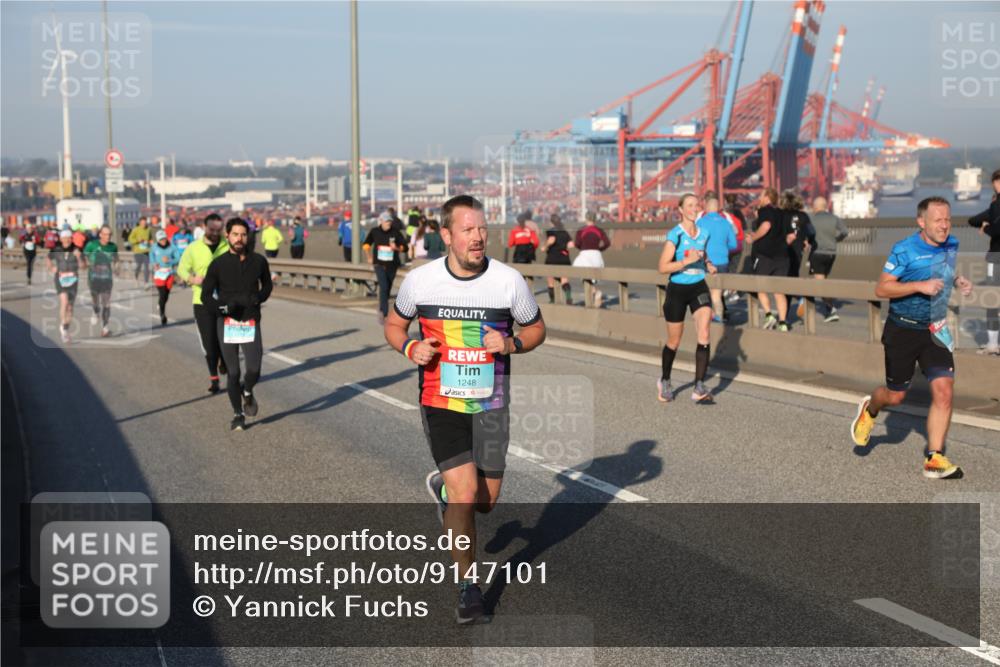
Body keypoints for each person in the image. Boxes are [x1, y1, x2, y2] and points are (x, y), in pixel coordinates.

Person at [383, 194, 546, 624]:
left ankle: (442, 491)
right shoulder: (422, 281)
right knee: (466, 492)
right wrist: (410, 346)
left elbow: (536, 328)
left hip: (491, 402)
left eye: (482, 229)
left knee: (487, 501)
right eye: (468, 230)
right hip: (441, 401)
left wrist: (512, 343)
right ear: (447, 235)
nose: (477, 238)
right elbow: (394, 323)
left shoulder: (508, 281)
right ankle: (468, 588)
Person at [851, 197, 974, 479]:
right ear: (922, 222)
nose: (944, 226)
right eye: (937, 220)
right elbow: (882, 289)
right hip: (902, 329)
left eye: (947, 219)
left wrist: (958, 281)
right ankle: (870, 408)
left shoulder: (951, 243)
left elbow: (945, 268)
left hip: (934, 328)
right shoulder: (904, 249)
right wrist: (919, 285)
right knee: (895, 396)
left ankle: (935, 458)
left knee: (944, 390)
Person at [201, 218, 273, 431]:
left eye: (243, 235)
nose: (239, 239)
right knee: (233, 373)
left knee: (254, 368)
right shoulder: (218, 264)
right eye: (235, 234)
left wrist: (258, 298)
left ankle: (248, 391)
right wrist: (221, 309)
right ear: (228, 236)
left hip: (250, 320)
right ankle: (237, 414)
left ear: (247, 237)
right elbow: (206, 295)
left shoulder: (258, 261)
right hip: (227, 322)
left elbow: (267, 285)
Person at [657, 193, 716, 403]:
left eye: (696, 205)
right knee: (674, 340)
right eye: (689, 205)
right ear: (681, 210)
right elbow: (662, 267)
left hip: (698, 286)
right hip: (677, 290)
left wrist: (707, 264)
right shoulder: (676, 235)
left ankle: (699, 387)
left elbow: (702, 253)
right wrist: (686, 261)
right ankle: (665, 380)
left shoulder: (704, 232)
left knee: (705, 332)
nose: (693, 208)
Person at [177, 213, 230, 393]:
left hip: (225, 300)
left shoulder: (227, 245)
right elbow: (181, 269)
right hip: (202, 301)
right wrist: (192, 278)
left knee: (225, 339)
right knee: (209, 343)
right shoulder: (194, 248)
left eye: (218, 229)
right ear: (204, 227)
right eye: (212, 229)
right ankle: (214, 379)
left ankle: (224, 359)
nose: (215, 233)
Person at [746, 188, 794, 331]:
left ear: (767, 197)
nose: (759, 198)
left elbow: (766, 225)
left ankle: (769, 314)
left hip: (765, 256)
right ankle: (783, 323)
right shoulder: (783, 213)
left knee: (760, 287)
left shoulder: (764, 210)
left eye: (761, 195)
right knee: (779, 292)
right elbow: (791, 236)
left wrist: (753, 237)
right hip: (783, 256)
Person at [798, 196, 848, 322]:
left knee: (820, 282)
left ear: (815, 207)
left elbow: (805, 232)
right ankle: (816, 304)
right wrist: (836, 240)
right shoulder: (834, 218)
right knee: (822, 279)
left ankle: (830, 309)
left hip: (817, 253)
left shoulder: (811, 218)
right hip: (831, 254)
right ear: (825, 206)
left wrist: (806, 242)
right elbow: (845, 231)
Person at [968, 168, 1000, 355]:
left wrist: (986, 228)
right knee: (993, 299)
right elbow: (974, 219)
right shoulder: (994, 205)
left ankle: (992, 344)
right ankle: (993, 344)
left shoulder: (996, 205)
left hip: (995, 257)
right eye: (996, 181)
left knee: (992, 298)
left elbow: (996, 230)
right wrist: (985, 223)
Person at [696, 193, 737, 322]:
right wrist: (723, 249)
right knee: (717, 294)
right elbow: (734, 244)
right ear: (719, 208)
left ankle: (708, 316)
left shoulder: (701, 222)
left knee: (704, 292)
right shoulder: (726, 223)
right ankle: (718, 317)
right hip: (723, 262)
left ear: (707, 208)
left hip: (706, 261)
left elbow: (695, 241)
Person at [363, 211, 409, 325]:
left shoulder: (395, 232)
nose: (388, 223)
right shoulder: (375, 232)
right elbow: (366, 244)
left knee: (387, 288)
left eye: (390, 221)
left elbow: (405, 248)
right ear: (381, 221)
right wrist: (369, 257)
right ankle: (384, 313)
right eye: (386, 221)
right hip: (379, 264)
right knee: (383, 287)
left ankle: (382, 305)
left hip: (392, 265)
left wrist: (397, 248)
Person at [47, 229, 87, 344]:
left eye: (69, 237)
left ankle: (64, 327)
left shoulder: (77, 249)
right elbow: (48, 258)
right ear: (61, 239)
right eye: (65, 237)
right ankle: (64, 333)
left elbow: (84, 267)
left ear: (71, 238)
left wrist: (79, 257)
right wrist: (51, 267)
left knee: (70, 307)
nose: (67, 240)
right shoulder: (56, 249)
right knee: (64, 302)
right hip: (60, 279)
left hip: (73, 280)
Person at [83, 225, 118, 337]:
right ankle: (95, 311)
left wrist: (117, 267)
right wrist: (87, 262)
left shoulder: (113, 247)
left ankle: (105, 328)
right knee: (95, 300)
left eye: (110, 234)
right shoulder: (92, 245)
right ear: (100, 234)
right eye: (106, 234)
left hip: (107, 278)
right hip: (93, 278)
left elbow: (116, 259)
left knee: (106, 303)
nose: (108, 237)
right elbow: (84, 256)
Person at [573, 211, 611, 307]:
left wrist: (582, 248)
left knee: (583, 275)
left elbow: (577, 244)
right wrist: (599, 249)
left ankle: (595, 293)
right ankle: (592, 300)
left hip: (585, 254)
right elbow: (607, 243)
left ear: (586, 219)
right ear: (595, 219)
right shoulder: (599, 230)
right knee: (591, 278)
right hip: (596, 255)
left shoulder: (581, 230)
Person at [151, 230, 182, 326]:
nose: (163, 241)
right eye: (160, 240)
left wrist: (170, 260)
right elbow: (151, 256)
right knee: (162, 293)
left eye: (164, 239)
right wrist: (154, 263)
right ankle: (162, 315)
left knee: (166, 294)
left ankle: (160, 304)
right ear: (157, 240)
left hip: (169, 273)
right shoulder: (154, 247)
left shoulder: (172, 247)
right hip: (159, 273)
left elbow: (178, 258)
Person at [543, 213, 574, 304]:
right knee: (564, 279)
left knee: (551, 280)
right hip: (564, 257)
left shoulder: (551, 231)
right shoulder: (564, 231)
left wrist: (545, 247)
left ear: (551, 222)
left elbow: (551, 239)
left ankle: (552, 300)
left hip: (553, 257)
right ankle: (568, 297)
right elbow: (571, 244)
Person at [129, 217, 152, 285]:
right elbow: (130, 239)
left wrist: (150, 242)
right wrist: (137, 241)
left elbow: (150, 238)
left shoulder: (149, 229)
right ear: (139, 223)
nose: (143, 224)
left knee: (146, 267)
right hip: (138, 251)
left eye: (145, 223)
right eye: (142, 223)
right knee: (139, 265)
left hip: (146, 251)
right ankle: (136, 277)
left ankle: (146, 283)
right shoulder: (135, 230)